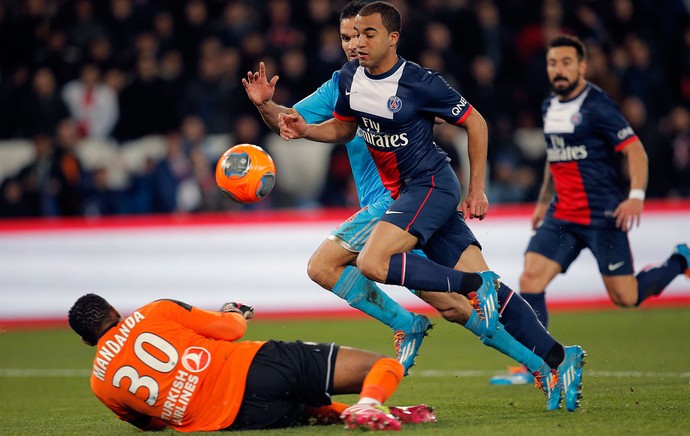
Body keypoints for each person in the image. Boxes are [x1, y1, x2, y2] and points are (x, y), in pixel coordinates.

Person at [276, 1, 585, 411]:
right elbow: (339, 126)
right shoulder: (347, 80)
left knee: (360, 264)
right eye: (350, 36)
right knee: (464, 305)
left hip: (420, 192)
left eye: (365, 34)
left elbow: (476, 122)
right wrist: (296, 122)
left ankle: (415, 319)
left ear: (391, 37)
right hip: (408, 199)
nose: (356, 43)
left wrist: (478, 190)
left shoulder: (419, 83)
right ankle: (555, 359)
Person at [492, 35, 690, 386]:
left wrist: (637, 196)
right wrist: (542, 201)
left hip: (602, 217)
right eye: (553, 63)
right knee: (530, 278)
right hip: (562, 216)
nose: (559, 69)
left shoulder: (598, 105)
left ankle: (679, 262)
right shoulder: (549, 105)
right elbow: (555, 158)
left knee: (625, 297)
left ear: (582, 66)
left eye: (567, 62)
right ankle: (538, 363)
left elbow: (635, 152)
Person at [68, 293, 438, 432]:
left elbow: (151, 424)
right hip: (252, 366)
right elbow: (230, 331)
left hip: (233, 420)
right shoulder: (153, 312)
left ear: (86, 341)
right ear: (115, 310)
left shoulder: (100, 386)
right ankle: (371, 402)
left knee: (307, 409)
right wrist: (235, 312)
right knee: (381, 365)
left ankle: (362, 413)